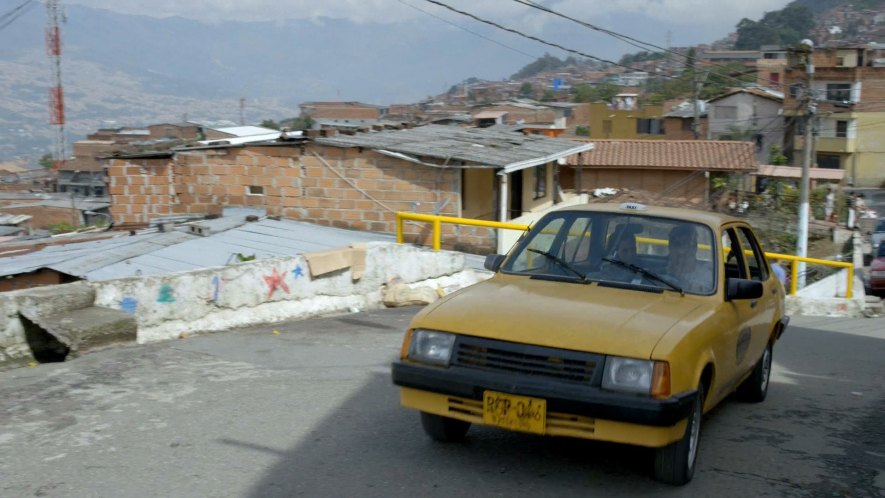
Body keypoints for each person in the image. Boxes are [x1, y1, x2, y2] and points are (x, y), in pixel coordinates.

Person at [664, 224, 713, 293]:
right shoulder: (657, 270)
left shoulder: (706, 277)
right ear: (669, 247)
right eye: (676, 244)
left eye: (685, 244)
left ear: (694, 248)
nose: (680, 251)